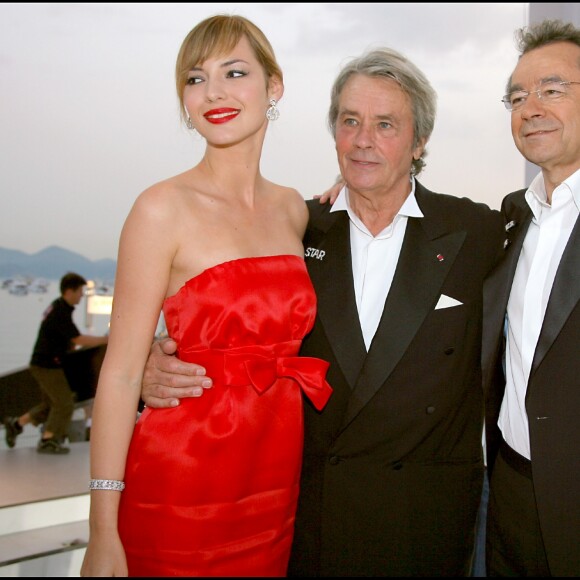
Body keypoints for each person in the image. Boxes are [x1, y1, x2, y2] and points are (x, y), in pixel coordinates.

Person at [141, 46, 505, 576]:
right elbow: (214, 305)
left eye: (386, 125)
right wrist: (157, 361)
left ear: (420, 140)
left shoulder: (476, 231)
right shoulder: (293, 227)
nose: (362, 140)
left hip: (423, 518)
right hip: (310, 515)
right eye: (349, 121)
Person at [80, 15, 332, 578]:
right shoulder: (160, 208)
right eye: (195, 79)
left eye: (234, 72)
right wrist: (101, 530)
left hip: (271, 485)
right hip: (180, 483)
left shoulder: (294, 209)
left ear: (275, 86)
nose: (213, 92)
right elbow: (120, 376)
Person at [482, 19, 580, 577]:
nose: (530, 107)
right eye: (517, 96)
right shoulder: (512, 218)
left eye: (552, 88)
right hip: (510, 494)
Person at [2, 272, 108, 454]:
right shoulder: (60, 312)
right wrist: (106, 340)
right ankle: (48, 440)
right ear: (69, 291)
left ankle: (17, 424)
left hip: (45, 363)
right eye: (80, 291)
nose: (82, 296)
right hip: (47, 366)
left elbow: (66, 340)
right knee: (64, 404)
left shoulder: (58, 307)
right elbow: (78, 339)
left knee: (49, 405)